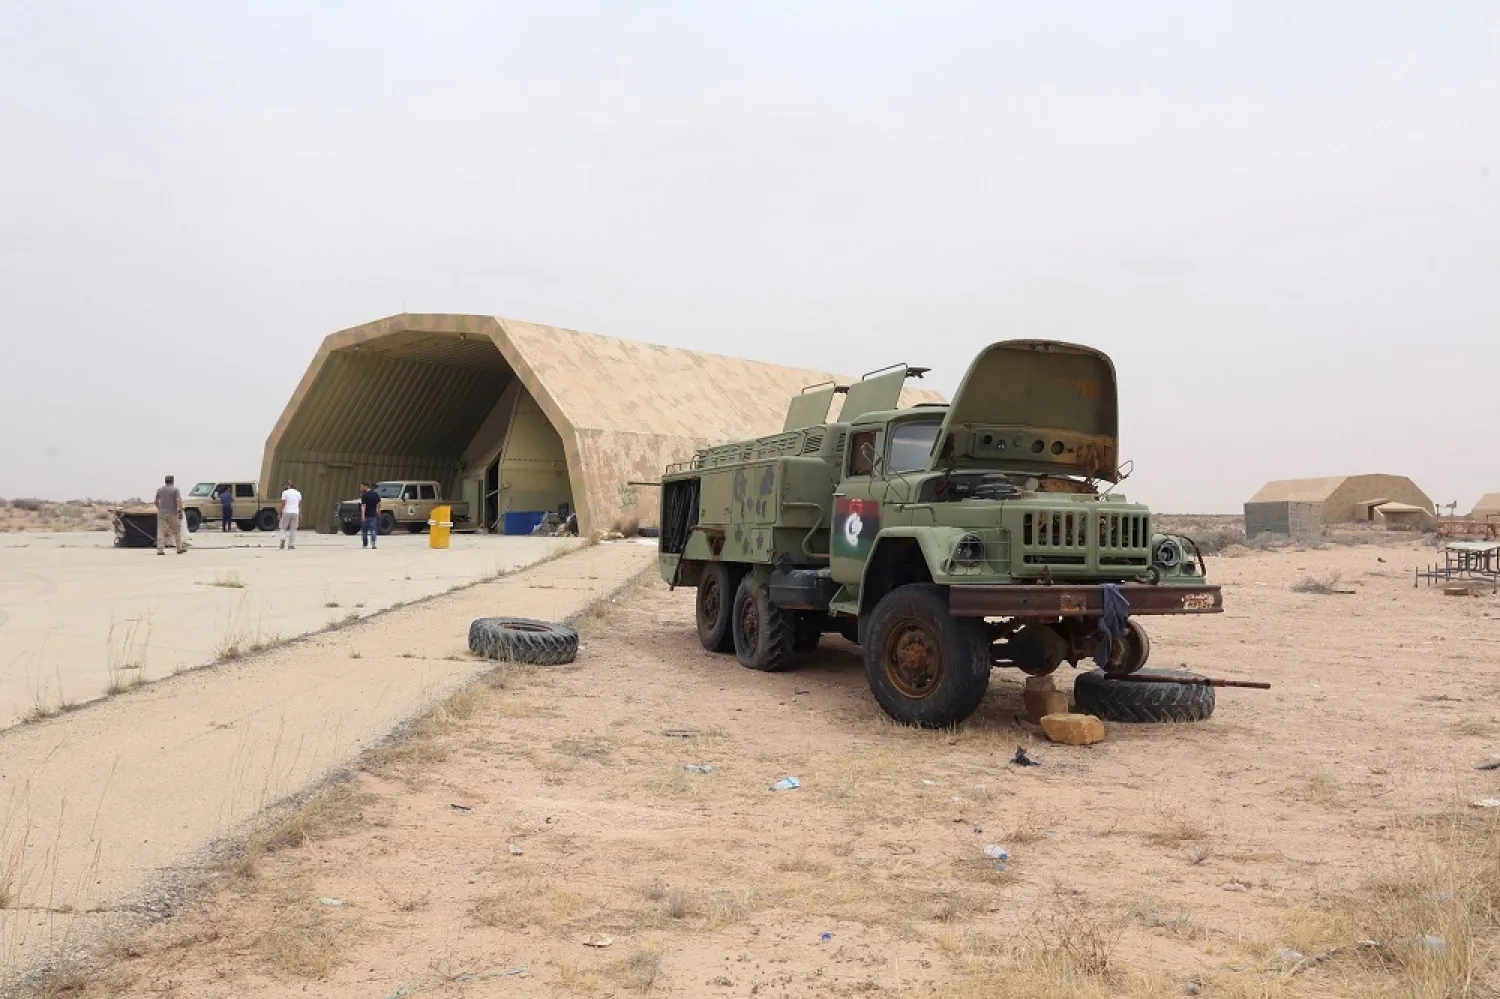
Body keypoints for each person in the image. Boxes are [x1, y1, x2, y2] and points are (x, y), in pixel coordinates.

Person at [155, 474, 185, 555]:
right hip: (173, 513)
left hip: (162, 513)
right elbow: (178, 501)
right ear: (173, 481)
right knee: (177, 530)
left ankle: (160, 550)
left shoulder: (160, 490)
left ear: (165, 481)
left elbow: (156, 501)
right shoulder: (175, 490)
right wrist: (180, 512)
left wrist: (160, 508)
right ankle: (179, 548)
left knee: (161, 531)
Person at [278, 479, 302, 550]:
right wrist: (300, 513)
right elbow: (299, 504)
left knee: (283, 527)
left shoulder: (285, 493)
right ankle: (291, 545)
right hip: (295, 513)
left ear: (288, 486)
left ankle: (282, 538)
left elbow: (283, 503)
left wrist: (279, 512)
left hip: (286, 512)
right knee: (293, 529)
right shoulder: (298, 493)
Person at [359, 481, 381, 549]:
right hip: (373, 515)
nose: (360, 488)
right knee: (373, 530)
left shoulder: (364, 495)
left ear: (366, 487)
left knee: (364, 530)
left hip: (366, 516)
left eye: (361, 487)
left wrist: (362, 515)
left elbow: (363, 506)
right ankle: (373, 543)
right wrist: (378, 511)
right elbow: (379, 503)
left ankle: (365, 544)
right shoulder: (375, 494)